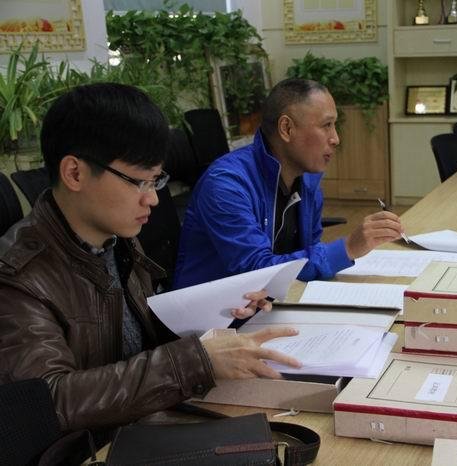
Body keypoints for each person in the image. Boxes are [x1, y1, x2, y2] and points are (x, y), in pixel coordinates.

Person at [0, 83, 300, 432]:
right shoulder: (17, 278)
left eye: (155, 181)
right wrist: (195, 360)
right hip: (91, 448)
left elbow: (137, 348)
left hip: (141, 422)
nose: (153, 199)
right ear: (74, 173)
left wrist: (220, 317)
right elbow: (50, 402)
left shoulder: (117, 240)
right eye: (138, 182)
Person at [174, 78, 405, 289]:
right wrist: (348, 247)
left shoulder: (308, 180)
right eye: (326, 125)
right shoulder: (227, 185)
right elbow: (256, 272)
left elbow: (305, 258)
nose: (336, 138)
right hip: (212, 316)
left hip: (268, 305)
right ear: (286, 129)